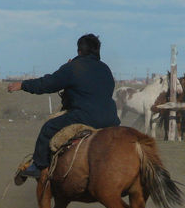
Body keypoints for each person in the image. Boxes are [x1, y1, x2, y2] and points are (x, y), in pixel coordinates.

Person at [8, 34, 120, 179]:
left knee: (48, 128)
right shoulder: (106, 69)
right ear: (97, 51)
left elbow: (48, 84)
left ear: (79, 51)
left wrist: (23, 85)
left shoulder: (74, 67)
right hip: (112, 120)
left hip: (84, 117)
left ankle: (37, 166)